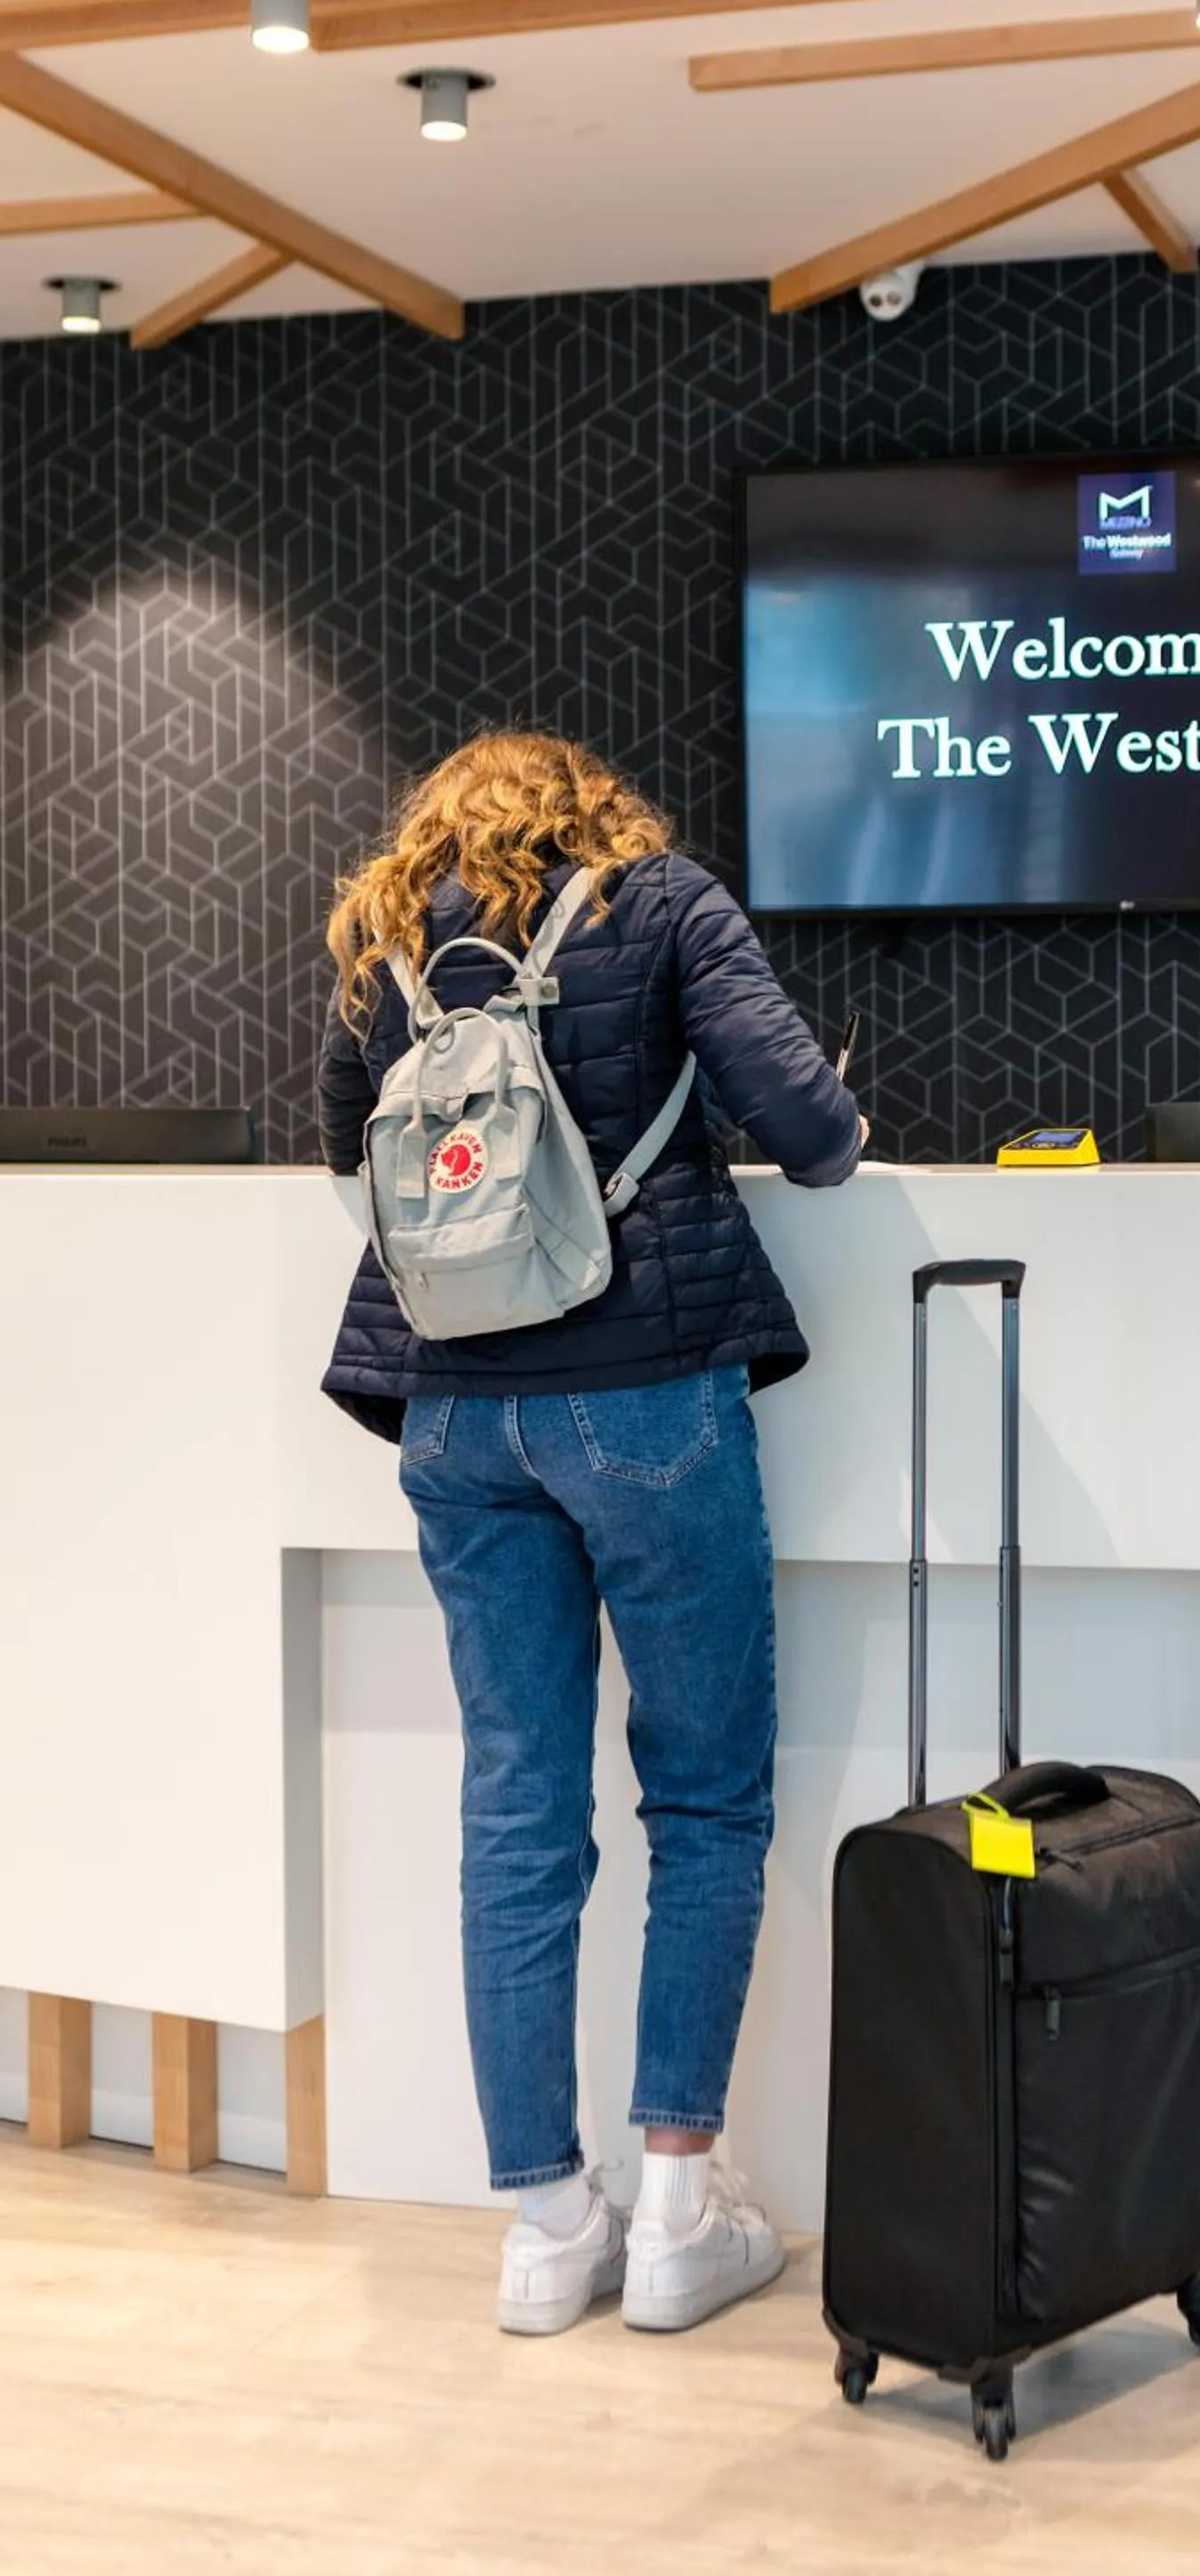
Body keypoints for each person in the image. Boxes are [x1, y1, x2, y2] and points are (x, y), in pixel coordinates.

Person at [316, 730, 862, 2337]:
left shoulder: (387, 947)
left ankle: (549, 2230)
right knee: (701, 1796)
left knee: (516, 1813)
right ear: (595, 813)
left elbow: (342, 1158)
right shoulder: (670, 907)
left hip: (451, 1415)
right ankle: (681, 2212)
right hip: (645, 1398)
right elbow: (813, 1134)